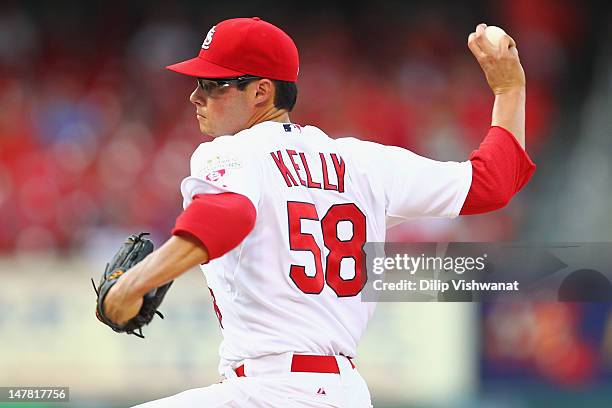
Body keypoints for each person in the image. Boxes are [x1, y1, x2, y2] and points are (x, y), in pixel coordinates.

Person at [102, 17, 535, 407]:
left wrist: (134, 284)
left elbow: (226, 217)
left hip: (269, 391)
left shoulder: (233, 153)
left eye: (214, 84)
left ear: (260, 91)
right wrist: (509, 90)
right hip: (343, 393)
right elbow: (491, 182)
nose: (196, 96)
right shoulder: (364, 163)